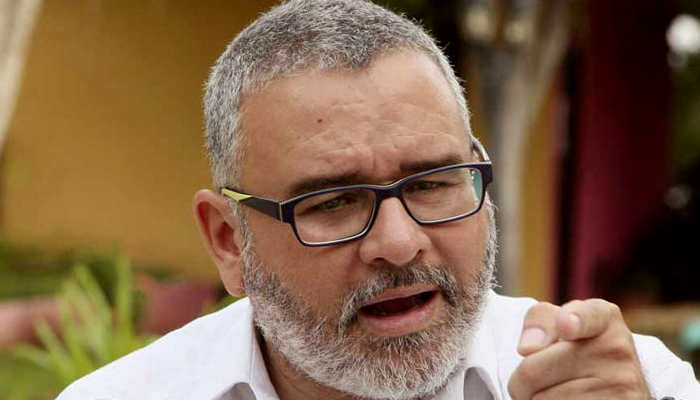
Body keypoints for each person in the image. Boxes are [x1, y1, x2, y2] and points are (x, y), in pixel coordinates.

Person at [58, 1, 698, 399]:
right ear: (229, 241)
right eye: (334, 202)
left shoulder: (629, 386)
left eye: (432, 183)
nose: (398, 242)